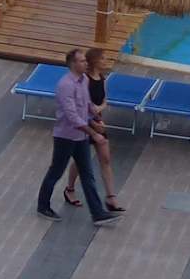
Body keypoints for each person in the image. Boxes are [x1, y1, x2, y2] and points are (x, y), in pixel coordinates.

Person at [37, 48, 119, 228]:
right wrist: (94, 133)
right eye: (82, 61)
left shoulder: (84, 81)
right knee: (56, 171)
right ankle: (43, 205)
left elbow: (87, 104)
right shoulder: (66, 85)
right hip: (66, 137)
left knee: (87, 175)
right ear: (73, 64)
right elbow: (72, 116)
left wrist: (95, 119)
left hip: (81, 136)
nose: (86, 63)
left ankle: (97, 213)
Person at [63, 47, 125, 212]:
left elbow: (104, 100)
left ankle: (111, 197)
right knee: (80, 161)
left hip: (98, 121)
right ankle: (69, 188)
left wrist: (99, 108)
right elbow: (80, 105)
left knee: (105, 159)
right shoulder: (85, 80)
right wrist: (92, 117)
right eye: (103, 58)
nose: (106, 61)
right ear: (95, 60)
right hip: (86, 123)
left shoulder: (102, 78)